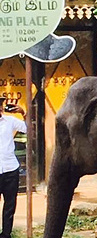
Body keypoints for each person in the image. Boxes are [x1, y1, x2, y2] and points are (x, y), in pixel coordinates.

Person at [0, 97, 26, 238]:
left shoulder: (10, 121)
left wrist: (23, 113)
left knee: (10, 205)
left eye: (1, 105)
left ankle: (6, 234)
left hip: (10, 169)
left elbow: (29, 130)